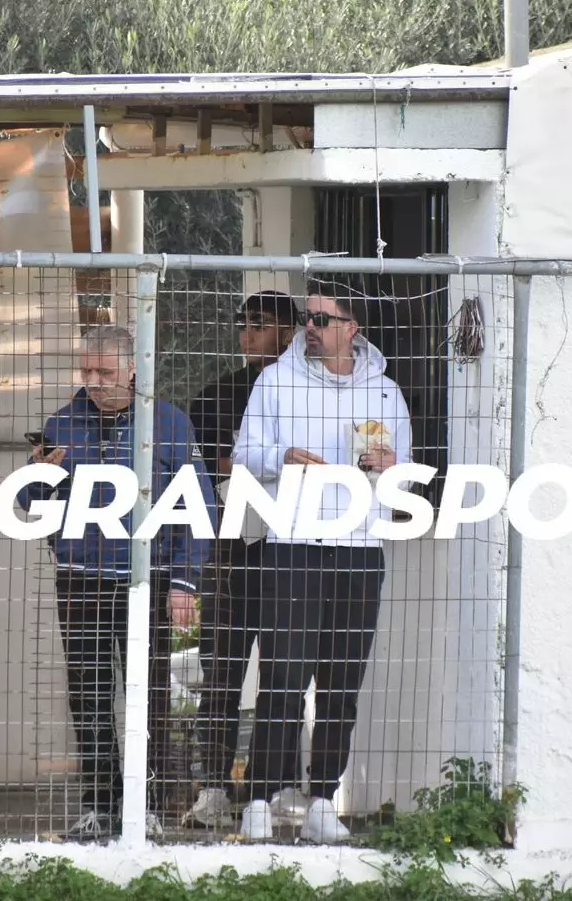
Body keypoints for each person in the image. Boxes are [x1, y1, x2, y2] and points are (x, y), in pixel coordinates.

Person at [16, 323, 215, 840]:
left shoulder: (168, 422)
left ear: (132, 370)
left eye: (104, 371)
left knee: (148, 695)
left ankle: (147, 806)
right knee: (88, 694)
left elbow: (199, 506)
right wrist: (38, 474)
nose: (94, 381)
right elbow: (28, 504)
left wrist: (185, 582)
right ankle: (99, 805)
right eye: (86, 370)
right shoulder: (62, 423)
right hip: (80, 578)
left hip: (146, 580)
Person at [230, 281, 412, 843]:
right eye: (307, 318)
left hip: (359, 549)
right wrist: (281, 456)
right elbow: (242, 455)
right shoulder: (275, 381)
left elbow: (403, 478)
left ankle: (324, 801)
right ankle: (258, 798)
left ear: (352, 329)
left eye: (323, 320)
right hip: (292, 544)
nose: (309, 327)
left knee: (341, 683)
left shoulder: (386, 393)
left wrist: (392, 465)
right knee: (284, 677)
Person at [182, 290, 301, 831]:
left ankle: (272, 786)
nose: (247, 333)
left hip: (292, 543)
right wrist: (271, 463)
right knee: (222, 670)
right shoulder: (217, 394)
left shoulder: (305, 392)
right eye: (243, 323)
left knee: (285, 670)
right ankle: (213, 787)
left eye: (261, 323)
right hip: (231, 546)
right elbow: (212, 466)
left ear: (289, 332)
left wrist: (255, 462)